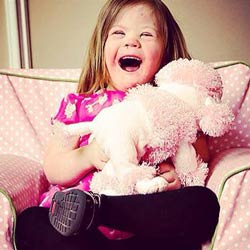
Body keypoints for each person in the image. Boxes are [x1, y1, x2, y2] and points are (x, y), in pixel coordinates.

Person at [14, 0, 220, 250]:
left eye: (146, 34)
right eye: (119, 33)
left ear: (166, 52)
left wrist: (173, 178)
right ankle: (87, 211)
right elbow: (53, 167)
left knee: (203, 203)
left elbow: (201, 155)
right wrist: (88, 155)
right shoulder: (78, 104)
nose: (131, 41)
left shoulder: (172, 105)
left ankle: (100, 210)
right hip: (84, 235)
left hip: (143, 226)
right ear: (102, 49)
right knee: (29, 221)